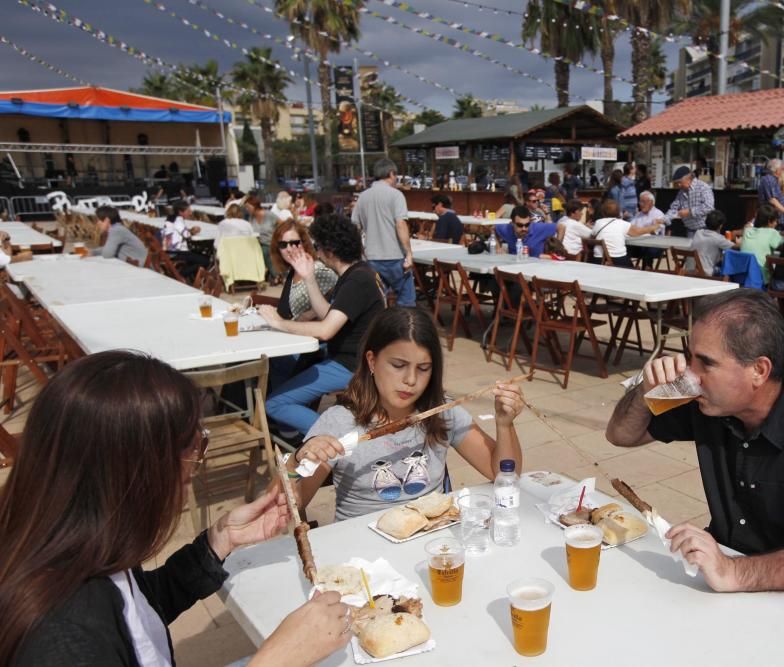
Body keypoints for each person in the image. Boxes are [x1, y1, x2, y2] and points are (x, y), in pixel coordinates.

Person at [0, 350, 352, 666]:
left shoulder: (81, 546)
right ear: (134, 472)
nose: (195, 467)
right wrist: (276, 660)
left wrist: (219, 542)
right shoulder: (62, 639)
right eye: (192, 447)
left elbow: (139, 615)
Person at [606, 290, 784, 599]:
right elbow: (621, 435)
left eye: (705, 363)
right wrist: (644, 392)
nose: (691, 374)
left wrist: (734, 571)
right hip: (729, 570)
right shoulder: (709, 401)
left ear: (759, 370)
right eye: (690, 356)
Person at [288, 307, 526, 518]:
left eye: (423, 369)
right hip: (364, 554)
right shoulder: (340, 422)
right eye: (398, 366)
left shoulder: (442, 412)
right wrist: (296, 460)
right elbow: (293, 505)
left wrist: (505, 424)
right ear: (371, 361)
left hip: (431, 544)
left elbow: (504, 474)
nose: (410, 380)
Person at [261, 214, 386, 435]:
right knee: (284, 363)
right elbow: (329, 314)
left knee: (275, 403)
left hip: (352, 366)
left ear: (329, 250)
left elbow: (326, 330)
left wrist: (279, 323)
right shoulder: (358, 273)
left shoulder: (358, 280)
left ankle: (338, 439)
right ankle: (298, 434)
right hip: (351, 360)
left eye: (318, 246)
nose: (316, 252)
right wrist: (309, 278)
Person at [351, 158, 415, 307]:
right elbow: (400, 224)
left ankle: (379, 328)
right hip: (395, 256)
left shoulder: (362, 197)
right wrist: (409, 253)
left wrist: (362, 252)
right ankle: (403, 328)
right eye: (396, 175)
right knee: (406, 300)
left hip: (372, 257)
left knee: (376, 301)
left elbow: (355, 228)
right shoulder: (396, 195)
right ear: (391, 173)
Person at [270, 219, 339, 322]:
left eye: (294, 243)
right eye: (283, 245)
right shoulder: (292, 271)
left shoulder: (319, 271)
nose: (289, 249)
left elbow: (338, 304)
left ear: (304, 244)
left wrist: (308, 315)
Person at [591, 200, 663, 268]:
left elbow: (593, 235)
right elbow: (638, 232)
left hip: (598, 260)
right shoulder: (622, 224)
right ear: (618, 212)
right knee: (635, 270)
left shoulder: (598, 222)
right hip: (617, 259)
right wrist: (655, 226)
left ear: (603, 212)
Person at [161, 201, 211, 281]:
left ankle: (193, 278)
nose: (190, 213)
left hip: (168, 250)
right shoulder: (178, 220)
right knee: (205, 260)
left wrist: (190, 231)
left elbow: (179, 231)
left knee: (197, 255)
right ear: (181, 212)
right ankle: (180, 275)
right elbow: (186, 235)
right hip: (177, 251)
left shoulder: (170, 218)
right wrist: (193, 231)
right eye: (188, 211)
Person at [665, 166, 715, 237]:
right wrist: (664, 219)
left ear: (688, 179)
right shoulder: (681, 192)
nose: (679, 185)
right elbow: (674, 208)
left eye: (680, 182)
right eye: (677, 183)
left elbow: (709, 207)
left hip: (705, 230)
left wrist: (689, 212)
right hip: (690, 230)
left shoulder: (703, 187)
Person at [740, 204, 783, 282]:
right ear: (769, 221)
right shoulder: (772, 232)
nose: (776, 223)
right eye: (775, 221)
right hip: (760, 277)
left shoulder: (747, 231)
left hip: (741, 275)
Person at [494, 205, 558, 258]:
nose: (524, 228)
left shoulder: (538, 228)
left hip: (537, 267)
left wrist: (556, 247)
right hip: (515, 266)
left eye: (527, 225)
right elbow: (493, 229)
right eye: (520, 225)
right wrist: (498, 247)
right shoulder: (507, 229)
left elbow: (561, 227)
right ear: (512, 223)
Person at [627, 190, 666, 268]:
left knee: (647, 248)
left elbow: (653, 232)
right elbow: (629, 227)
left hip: (655, 246)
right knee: (624, 248)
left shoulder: (658, 214)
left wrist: (638, 231)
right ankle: (630, 268)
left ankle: (647, 270)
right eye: (640, 202)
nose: (641, 204)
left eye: (643, 202)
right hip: (638, 244)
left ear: (651, 202)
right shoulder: (638, 214)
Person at [690, 210, 734, 275]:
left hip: (693, 270)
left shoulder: (698, 232)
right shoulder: (718, 238)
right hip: (707, 272)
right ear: (720, 226)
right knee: (731, 270)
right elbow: (736, 247)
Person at [758, 158, 784, 230]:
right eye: (782, 168)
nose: (783, 170)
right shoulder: (769, 179)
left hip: (777, 219)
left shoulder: (774, 179)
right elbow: (772, 200)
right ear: (777, 170)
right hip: (772, 219)